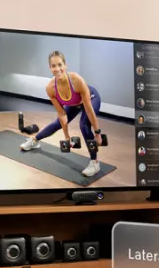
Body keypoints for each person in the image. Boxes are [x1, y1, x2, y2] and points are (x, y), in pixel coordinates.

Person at [20, 50, 104, 178]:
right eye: (53, 66)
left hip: (90, 98)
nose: (57, 68)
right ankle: (34, 140)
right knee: (57, 123)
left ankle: (95, 163)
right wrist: (66, 136)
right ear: (50, 68)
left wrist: (97, 133)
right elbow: (62, 114)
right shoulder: (50, 88)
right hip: (74, 103)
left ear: (65, 65)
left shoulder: (77, 80)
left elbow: (88, 109)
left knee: (84, 125)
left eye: (60, 65)